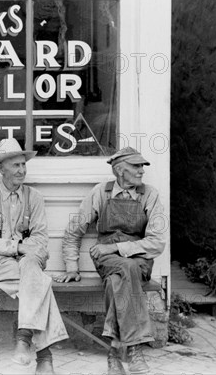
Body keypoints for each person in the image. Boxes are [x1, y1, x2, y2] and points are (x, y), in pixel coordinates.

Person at [56, 147, 166, 375]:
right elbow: (73, 231)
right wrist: (72, 266)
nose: (141, 171)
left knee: (119, 277)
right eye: (135, 166)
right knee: (124, 268)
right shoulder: (101, 193)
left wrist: (116, 246)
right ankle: (134, 351)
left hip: (138, 260)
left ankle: (115, 351)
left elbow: (157, 243)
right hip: (106, 259)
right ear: (119, 170)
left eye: (142, 167)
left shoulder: (150, 194)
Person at [0, 138, 68, 375]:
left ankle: (24, 339)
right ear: (1, 169)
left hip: (25, 261)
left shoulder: (34, 196)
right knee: (39, 282)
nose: (22, 170)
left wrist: (3, 251)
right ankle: (44, 357)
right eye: (16, 165)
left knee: (31, 268)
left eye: (23, 165)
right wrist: (17, 248)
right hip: (1, 267)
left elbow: (40, 240)